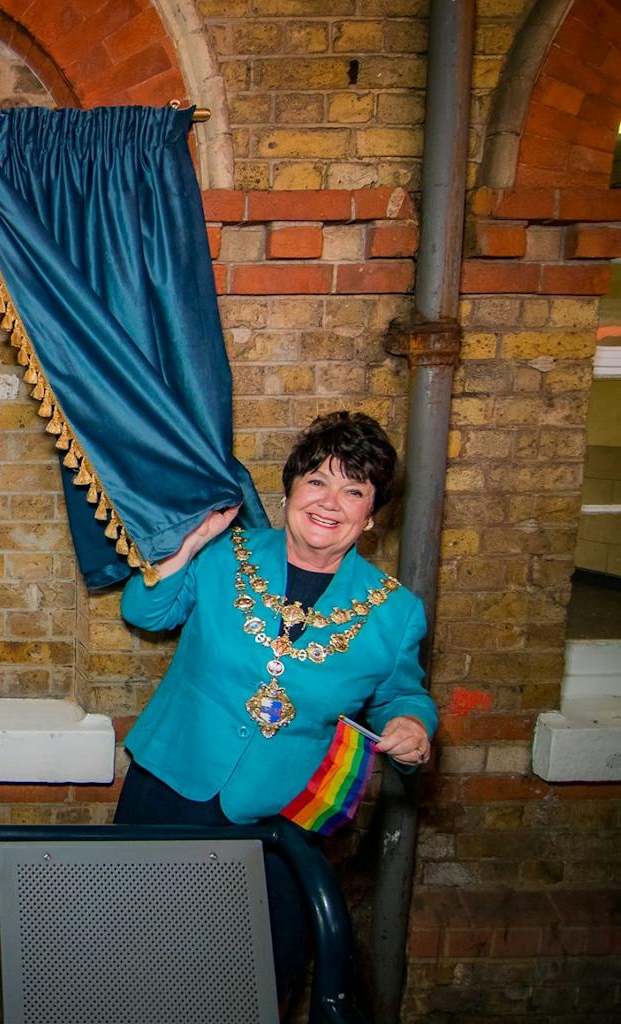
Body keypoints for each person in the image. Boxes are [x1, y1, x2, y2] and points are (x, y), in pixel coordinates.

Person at [113, 410, 438, 1002]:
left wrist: (411, 724)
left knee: (253, 979)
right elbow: (146, 613)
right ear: (290, 489)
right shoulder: (224, 555)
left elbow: (400, 692)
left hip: (282, 819)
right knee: (136, 958)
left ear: (371, 515)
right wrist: (184, 549)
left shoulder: (395, 611)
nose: (330, 501)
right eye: (317, 480)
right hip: (169, 787)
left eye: (353, 490)